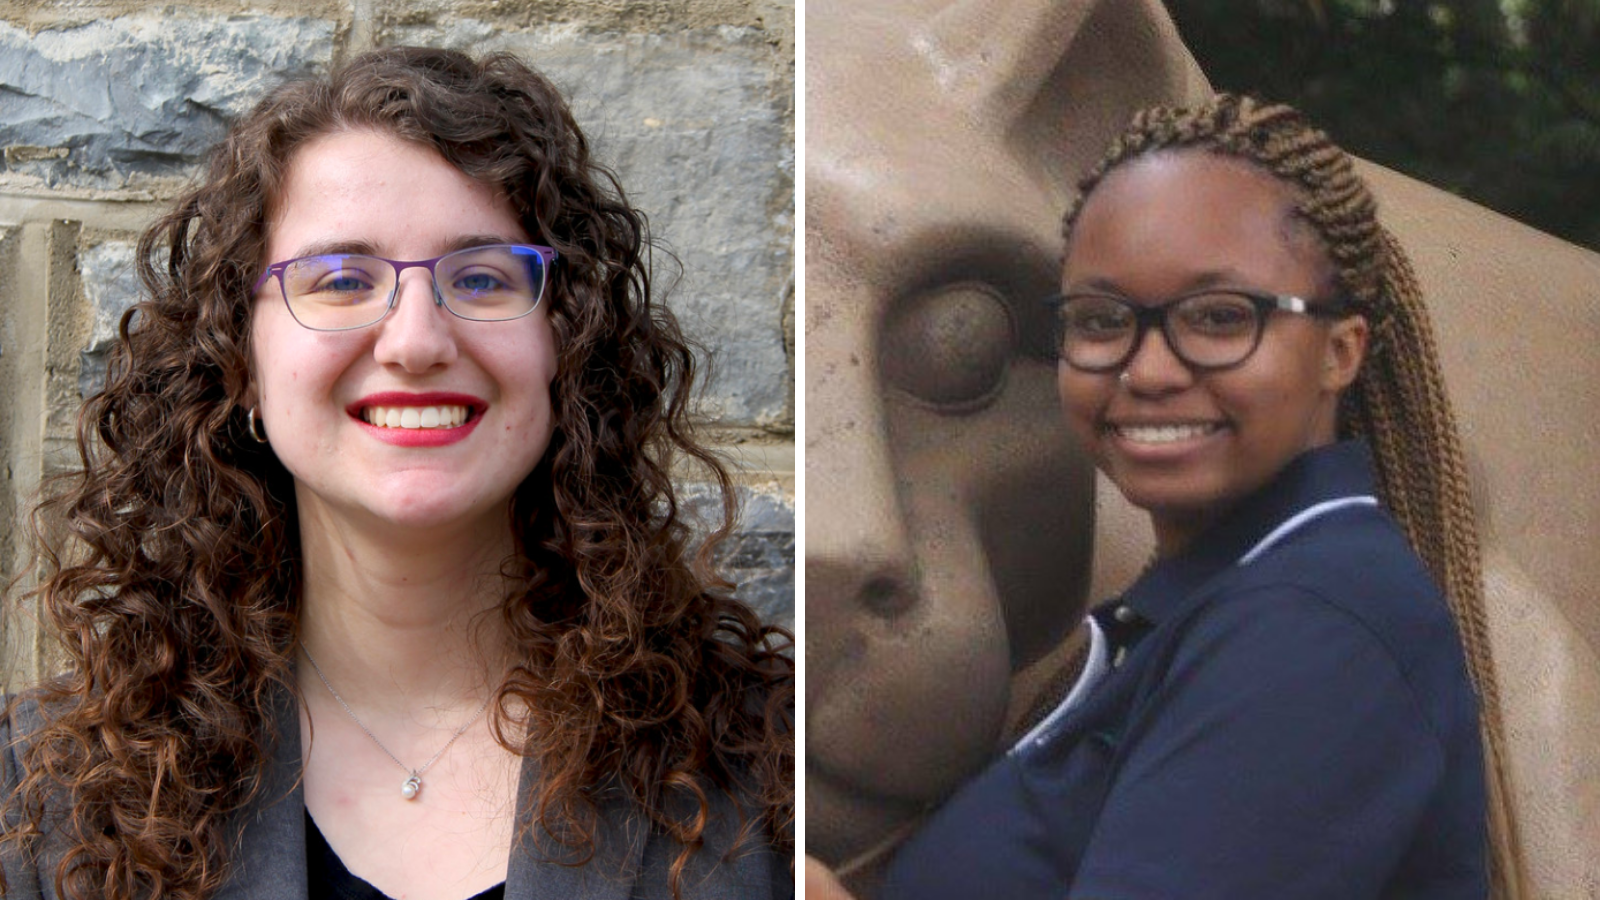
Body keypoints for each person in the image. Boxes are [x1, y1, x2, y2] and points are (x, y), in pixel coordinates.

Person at [0, 47, 793, 900]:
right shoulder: (46, 797)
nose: (416, 341)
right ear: (242, 364)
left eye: (483, 277)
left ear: (568, 344)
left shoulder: (769, 766)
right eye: (341, 279)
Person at [876, 95, 1520, 899]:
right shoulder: (1212, 605)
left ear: (1340, 351)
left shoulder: (1315, 628)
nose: (1148, 371)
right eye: (1103, 319)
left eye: (1219, 317)